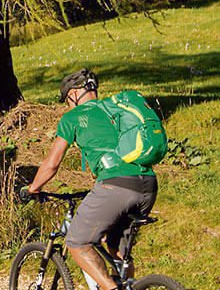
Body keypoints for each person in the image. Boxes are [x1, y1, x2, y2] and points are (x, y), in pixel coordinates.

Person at [23, 68, 157, 290]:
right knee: (116, 248)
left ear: (74, 94)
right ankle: (128, 285)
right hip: (148, 184)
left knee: (77, 242)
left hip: (117, 186)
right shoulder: (113, 110)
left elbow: (52, 164)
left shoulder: (72, 118)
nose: (67, 104)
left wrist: (33, 188)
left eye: (66, 99)